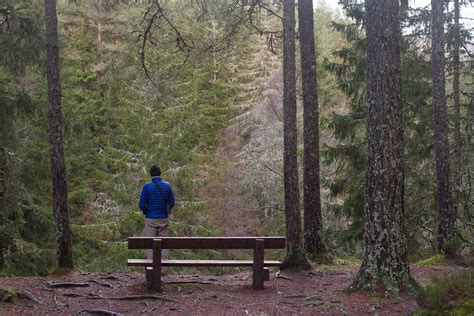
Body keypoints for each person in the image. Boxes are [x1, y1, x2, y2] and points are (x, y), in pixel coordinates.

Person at [139, 165, 175, 263]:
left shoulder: (147, 186)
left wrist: (146, 212)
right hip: (163, 218)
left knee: (150, 244)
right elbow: (172, 202)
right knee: (164, 244)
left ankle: (151, 267)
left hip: (150, 218)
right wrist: (167, 212)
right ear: (160, 173)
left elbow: (141, 204)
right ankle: (163, 268)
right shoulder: (167, 186)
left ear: (151, 174)